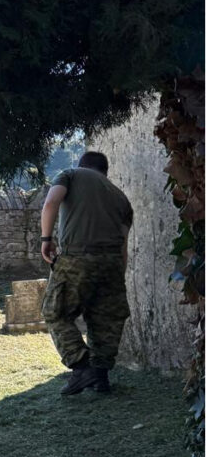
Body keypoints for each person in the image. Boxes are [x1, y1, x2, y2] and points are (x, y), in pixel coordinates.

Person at [40, 151, 133, 395]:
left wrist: (46, 239)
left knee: (55, 311)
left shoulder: (70, 174)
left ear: (83, 165)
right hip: (112, 263)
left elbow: (51, 202)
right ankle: (101, 378)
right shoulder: (122, 199)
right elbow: (123, 245)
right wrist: (118, 277)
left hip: (77, 257)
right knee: (105, 320)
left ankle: (82, 368)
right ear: (105, 173)